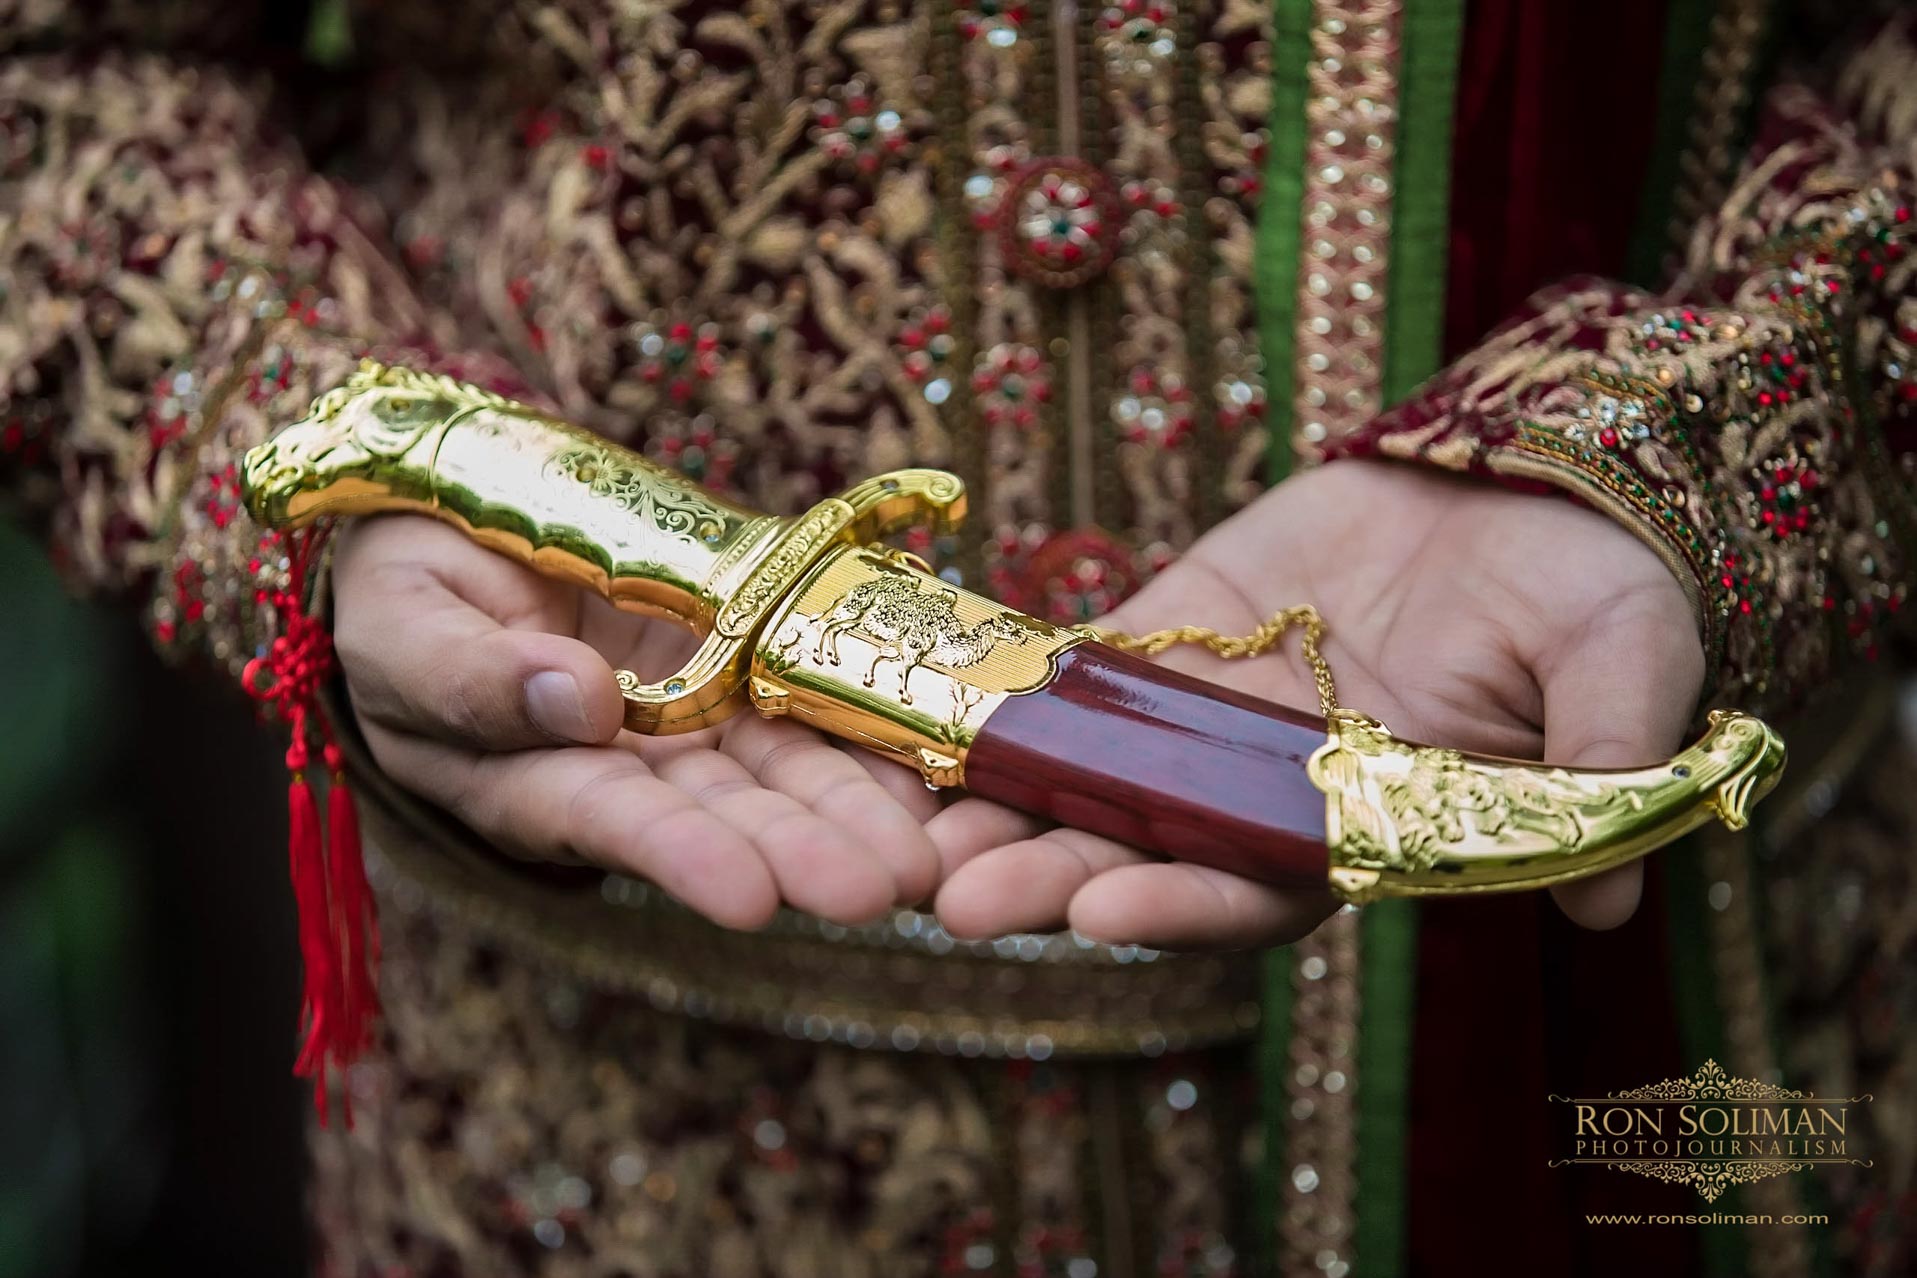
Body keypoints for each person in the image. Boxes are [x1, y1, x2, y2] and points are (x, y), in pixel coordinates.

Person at [3, 1, 1911, 1274]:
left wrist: (1708, 428)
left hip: (1686, 1085)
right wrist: (329, 448)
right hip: (623, 1131)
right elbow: (58, 74)